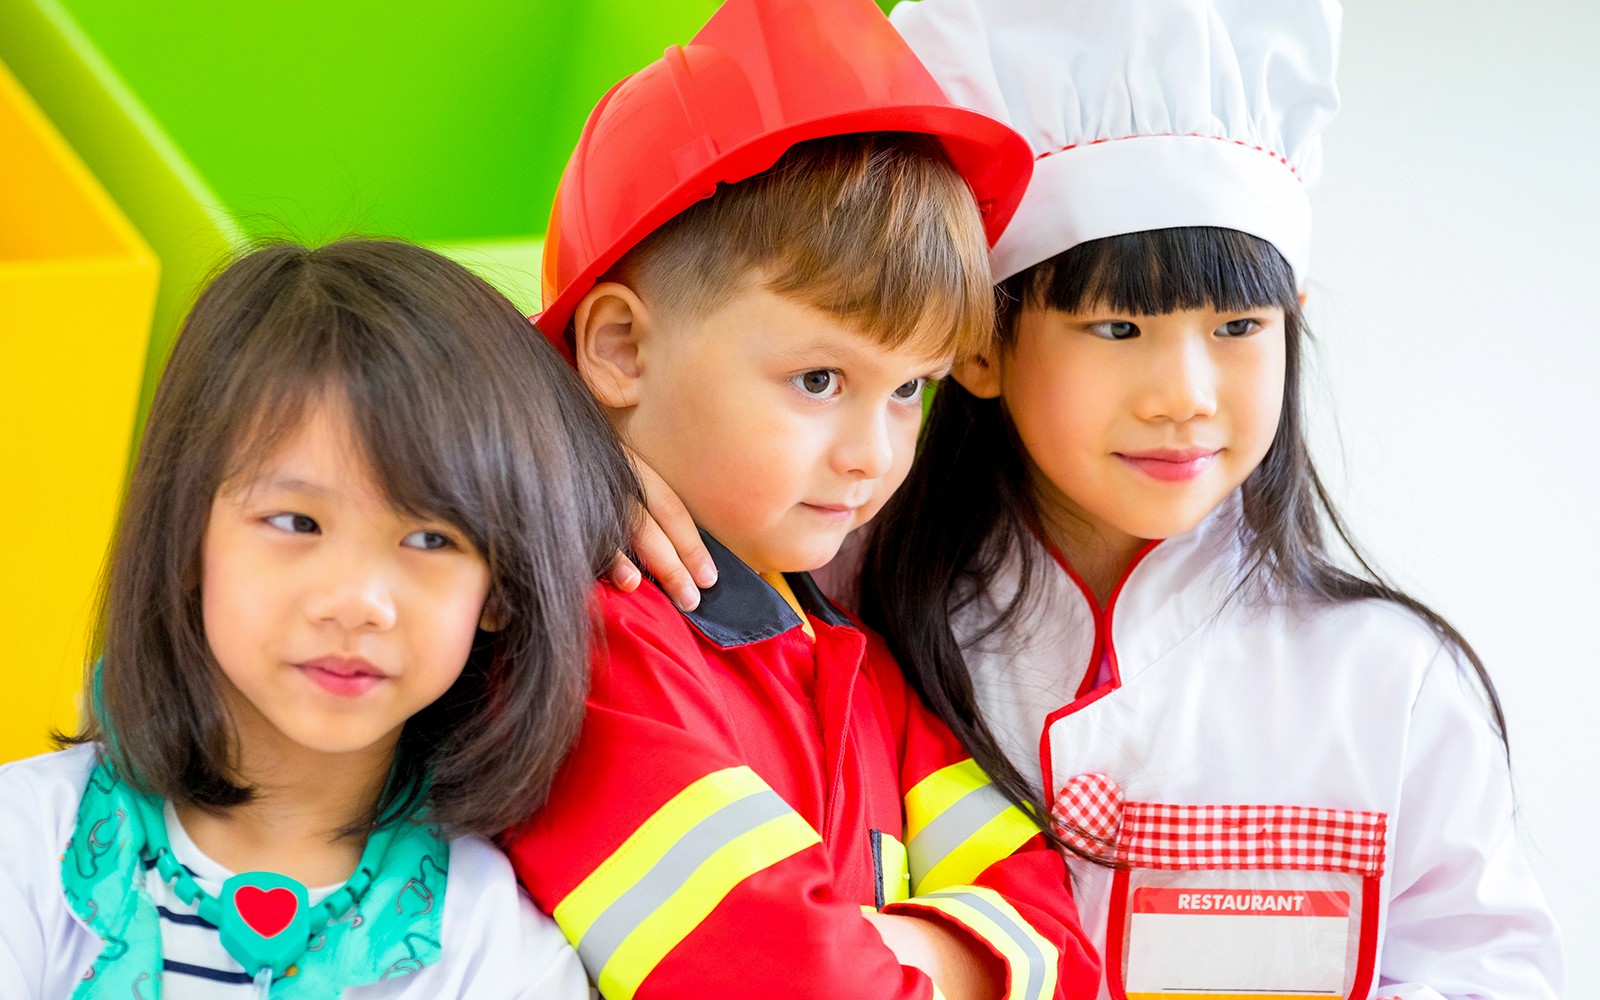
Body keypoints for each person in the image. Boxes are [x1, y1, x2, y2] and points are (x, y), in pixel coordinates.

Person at [847, 1, 1563, 997]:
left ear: (1291, 324)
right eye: (1117, 328)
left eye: (1235, 324)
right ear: (980, 345)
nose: (1184, 394)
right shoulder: (844, 620)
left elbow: (1490, 972)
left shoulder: (1388, 684)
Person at [504, 1, 1097, 998]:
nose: (872, 454)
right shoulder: (591, 644)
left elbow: (1060, 940)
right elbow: (789, 982)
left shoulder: (854, 659)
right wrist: (935, 951)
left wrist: (867, 946)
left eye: (910, 388)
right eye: (819, 379)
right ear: (619, 347)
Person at [0, 238, 635, 998]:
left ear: (500, 589)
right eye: (296, 522)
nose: (357, 601)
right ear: (187, 534)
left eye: (430, 539)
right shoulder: (27, 846)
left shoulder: (494, 949)